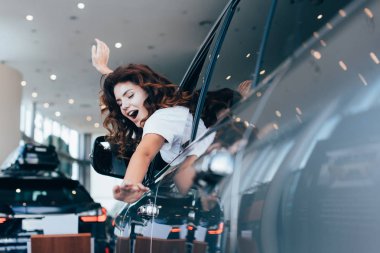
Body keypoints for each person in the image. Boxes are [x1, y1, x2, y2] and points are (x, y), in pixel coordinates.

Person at [92, 39, 213, 203]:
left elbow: (145, 153)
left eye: (130, 96)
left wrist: (130, 184)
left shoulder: (160, 118)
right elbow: (132, 86)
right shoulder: (171, 114)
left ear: (149, 92)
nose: (125, 106)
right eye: (119, 103)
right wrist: (105, 70)